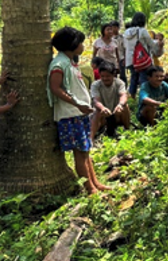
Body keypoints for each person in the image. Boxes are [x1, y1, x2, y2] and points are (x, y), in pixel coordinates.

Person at [49, 27, 104, 194]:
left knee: (85, 150)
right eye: (80, 42)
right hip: (70, 114)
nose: (83, 45)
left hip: (80, 113)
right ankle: (90, 189)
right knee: (80, 153)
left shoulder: (70, 62)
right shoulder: (59, 64)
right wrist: (77, 104)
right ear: (71, 44)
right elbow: (55, 88)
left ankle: (95, 183)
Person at [122, 12, 163, 99]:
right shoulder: (142, 31)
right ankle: (144, 97)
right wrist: (158, 42)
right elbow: (151, 43)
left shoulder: (126, 32)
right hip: (141, 59)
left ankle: (132, 96)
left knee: (134, 77)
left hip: (130, 59)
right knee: (144, 78)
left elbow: (125, 46)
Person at [90, 62, 128, 139]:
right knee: (97, 111)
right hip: (103, 115)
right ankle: (91, 138)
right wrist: (102, 108)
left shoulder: (119, 83)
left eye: (108, 76)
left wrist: (120, 105)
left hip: (116, 113)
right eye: (102, 76)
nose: (105, 78)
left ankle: (128, 130)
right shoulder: (95, 85)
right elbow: (96, 100)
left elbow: (123, 95)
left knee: (125, 107)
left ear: (113, 75)